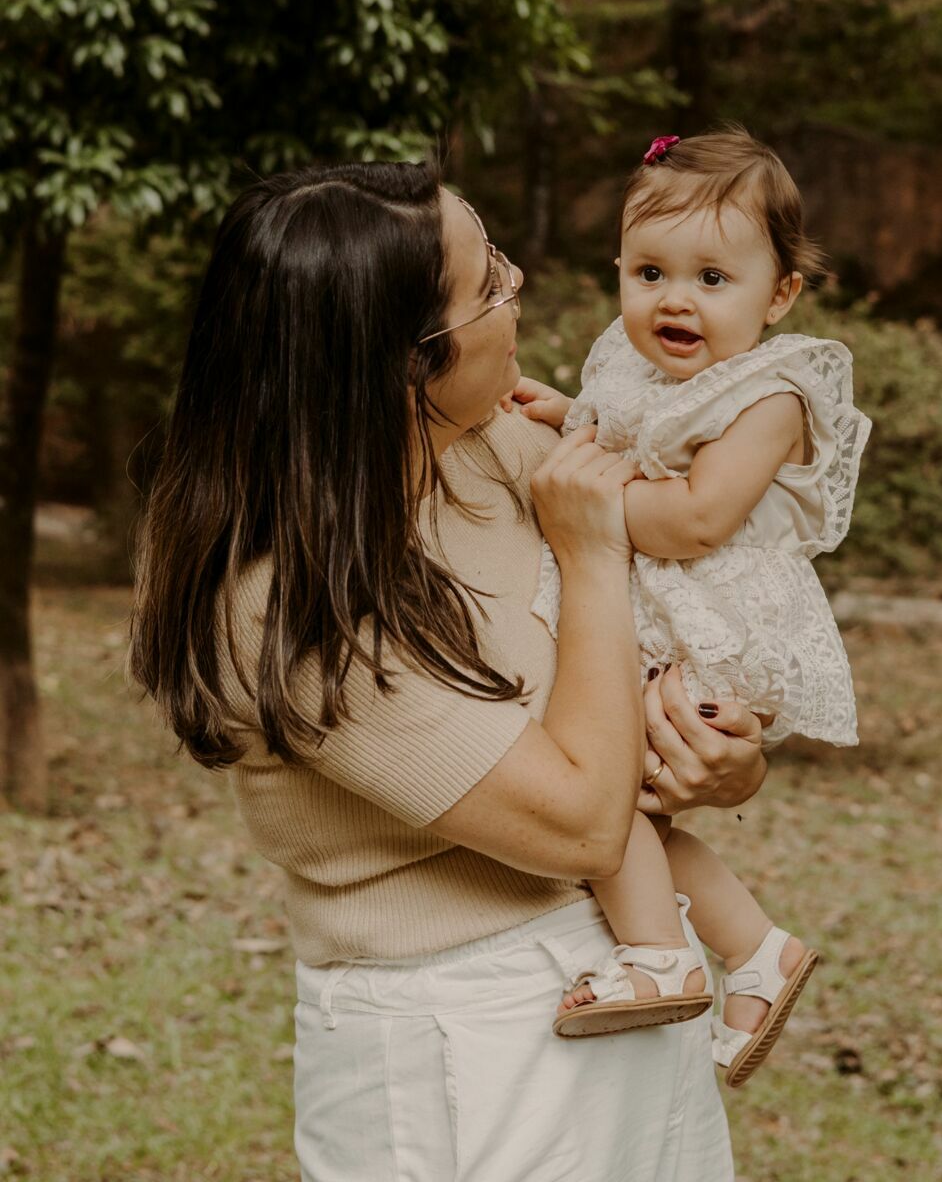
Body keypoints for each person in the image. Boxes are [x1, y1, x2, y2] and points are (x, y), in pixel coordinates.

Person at [128, 158, 766, 1181]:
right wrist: (590, 554)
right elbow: (578, 820)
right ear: (407, 360)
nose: (519, 300)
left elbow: (610, 712)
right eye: (491, 286)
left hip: (634, 974)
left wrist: (721, 762)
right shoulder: (288, 604)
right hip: (465, 1035)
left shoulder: (485, 448)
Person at [513, 127, 871, 1087]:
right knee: (637, 812)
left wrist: (580, 498)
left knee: (605, 785)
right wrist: (562, 418)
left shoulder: (772, 393)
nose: (674, 298)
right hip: (655, 622)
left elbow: (695, 518)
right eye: (648, 271)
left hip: (714, 628)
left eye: (713, 278)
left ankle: (661, 958)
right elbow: (618, 429)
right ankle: (754, 951)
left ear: (780, 293)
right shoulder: (634, 363)